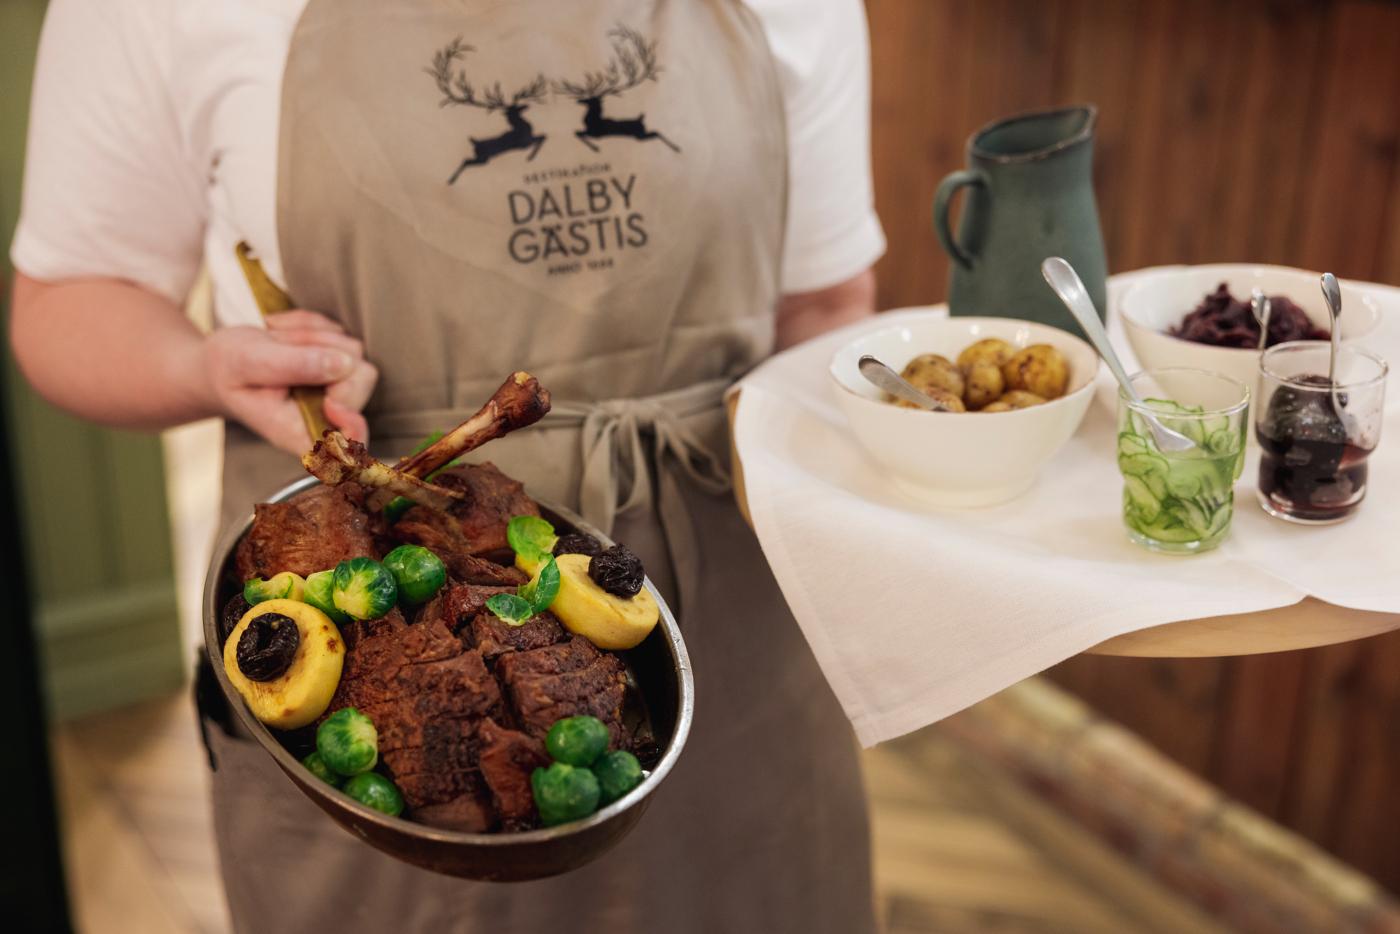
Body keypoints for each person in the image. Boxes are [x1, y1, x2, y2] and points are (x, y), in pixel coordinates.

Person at [10, 0, 886, 930]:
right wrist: (201, 367)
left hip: (741, 636)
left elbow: (826, 304)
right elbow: (67, 302)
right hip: (383, 666)